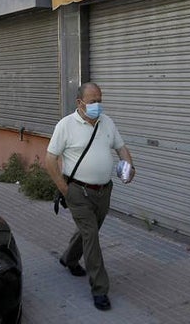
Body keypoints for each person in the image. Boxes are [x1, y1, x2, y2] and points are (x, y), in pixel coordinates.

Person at [46, 82, 134, 311]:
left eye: (100, 100)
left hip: (103, 191)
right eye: (93, 101)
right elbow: (49, 160)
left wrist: (129, 165)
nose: (98, 105)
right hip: (78, 191)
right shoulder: (65, 125)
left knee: (89, 231)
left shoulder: (107, 123)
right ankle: (100, 289)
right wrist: (64, 189)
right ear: (80, 103)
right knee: (91, 236)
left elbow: (121, 147)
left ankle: (69, 258)